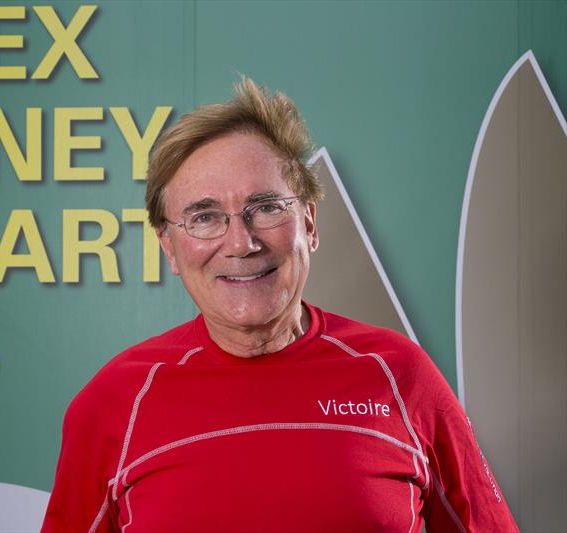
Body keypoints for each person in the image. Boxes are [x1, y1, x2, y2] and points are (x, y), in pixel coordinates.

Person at [41, 78, 518, 532]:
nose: (242, 243)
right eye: (205, 217)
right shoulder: (113, 405)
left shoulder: (402, 376)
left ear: (309, 224)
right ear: (169, 247)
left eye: (266, 207)